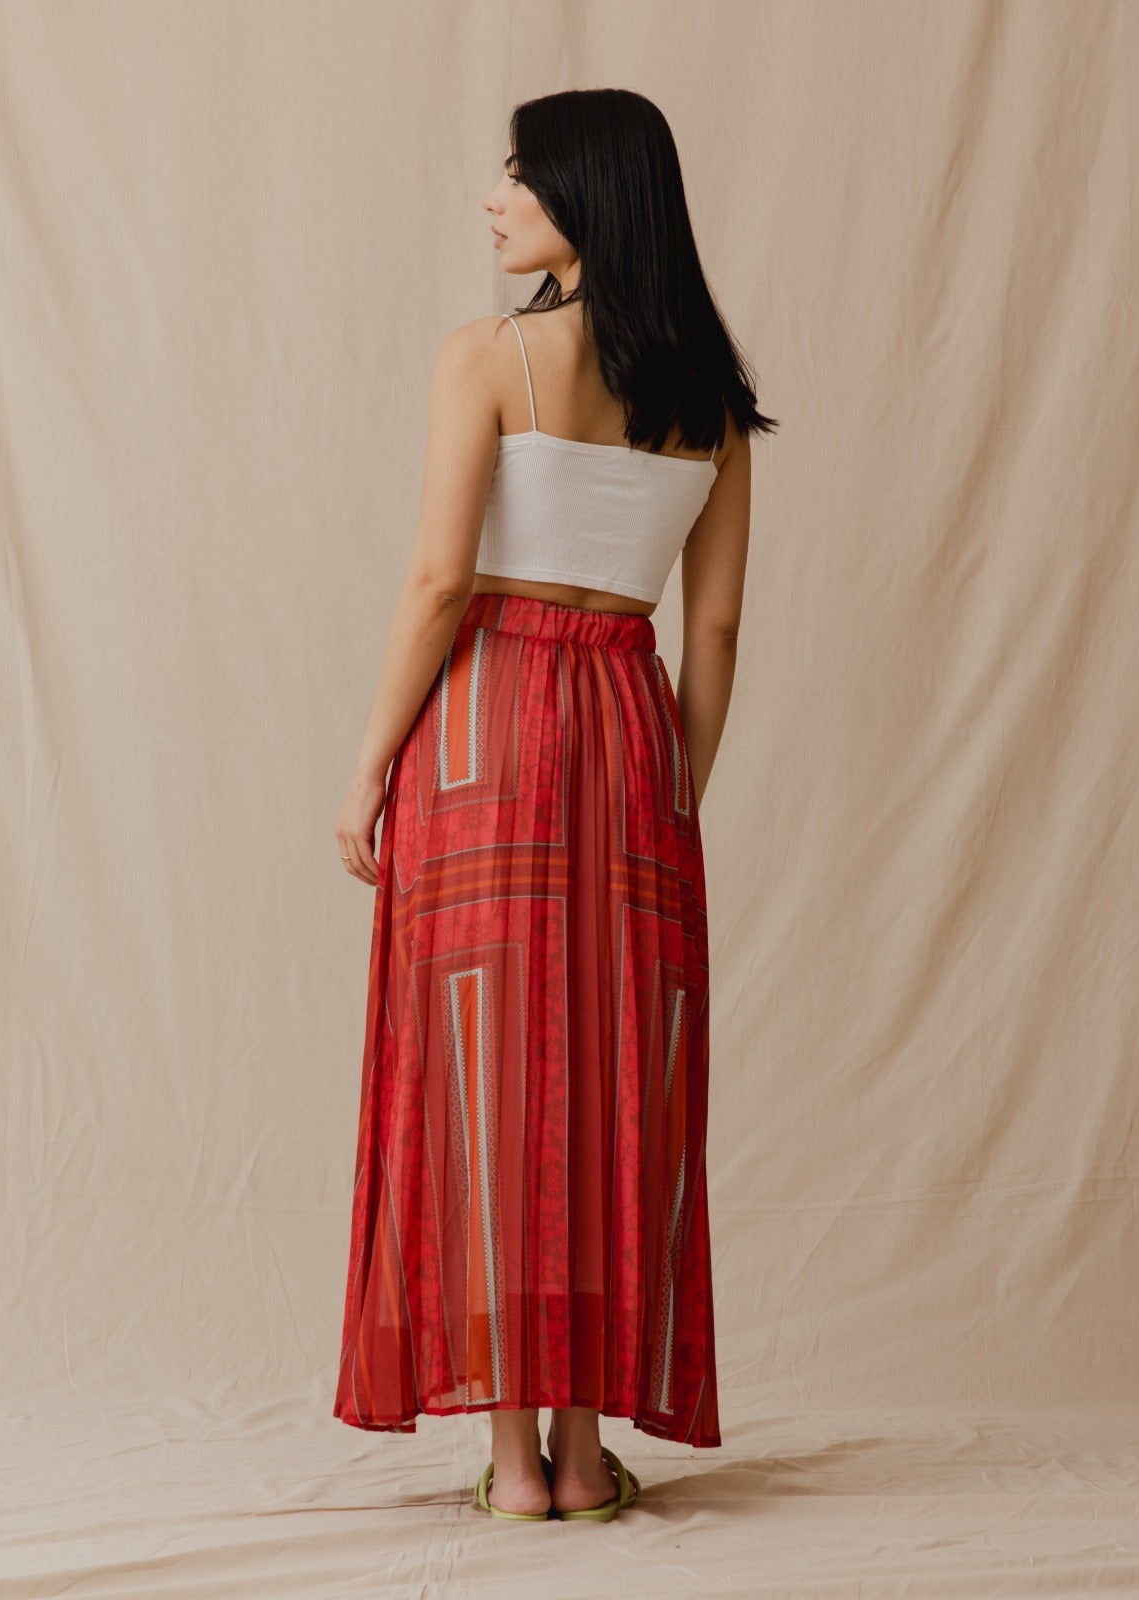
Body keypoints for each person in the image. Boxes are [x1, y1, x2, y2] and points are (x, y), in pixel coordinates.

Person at [332, 87, 774, 1523]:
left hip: (489, 725)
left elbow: (438, 582)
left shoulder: (488, 355)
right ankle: (587, 1457)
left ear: (587, 193)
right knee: (608, 1075)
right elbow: (714, 632)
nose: (495, 197)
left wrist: (369, 764)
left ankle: (515, 1461)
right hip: (632, 727)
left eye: (518, 174)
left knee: (486, 1072)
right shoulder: (711, 398)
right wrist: (673, 794)